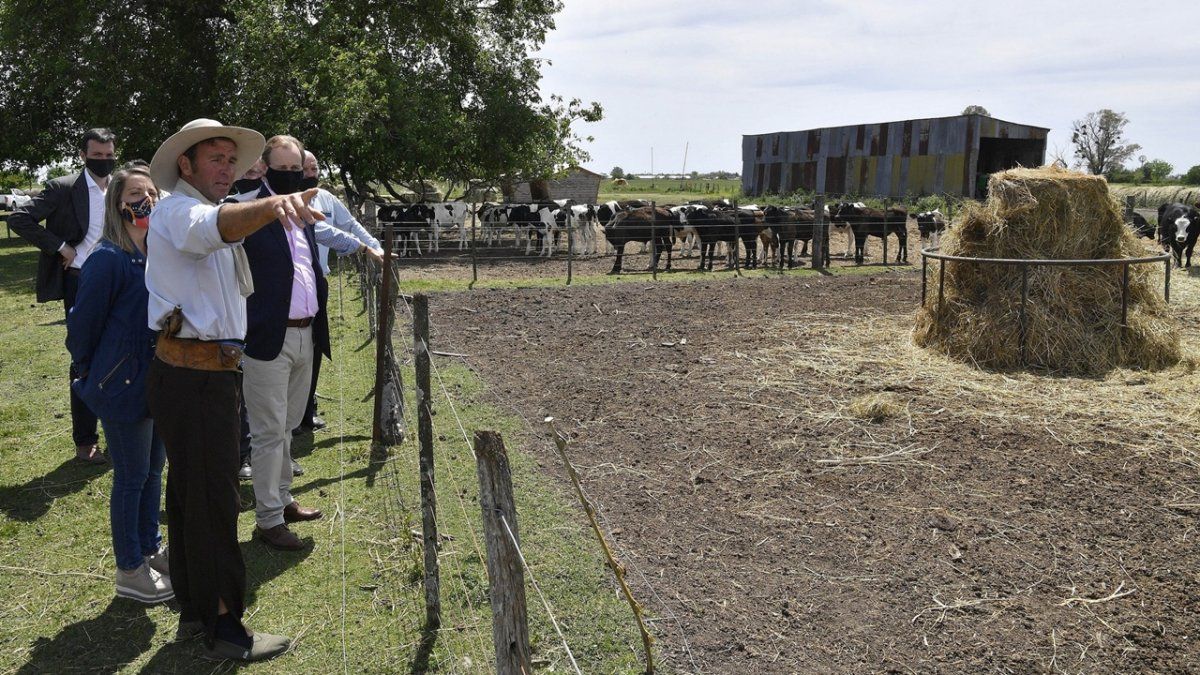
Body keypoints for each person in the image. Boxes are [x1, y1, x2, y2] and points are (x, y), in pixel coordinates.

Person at [145, 118, 322, 661]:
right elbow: (214, 226)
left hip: (205, 372)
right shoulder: (180, 211)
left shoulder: (201, 209)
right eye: (215, 159)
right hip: (195, 376)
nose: (225, 169)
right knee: (214, 500)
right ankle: (225, 629)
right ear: (186, 164)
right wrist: (272, 205)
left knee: (193, 496)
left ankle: (196, 607)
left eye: (230, 160)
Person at [66, 166, 172, 603]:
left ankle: (150, 548)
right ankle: (129, 568)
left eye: (152, 193)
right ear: (118, 204)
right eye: (135, 195)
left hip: (157, 380)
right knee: (130, 477)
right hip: (122, 384)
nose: (146, 201)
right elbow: (82, 327)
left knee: (153, 470)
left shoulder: (156, 255)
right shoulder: (108, 258)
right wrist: (91, 371)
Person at [239, 135, 328, 552]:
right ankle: (268, 519)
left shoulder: (303, 210)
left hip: (305, 332)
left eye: (296, 169)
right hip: (268, 336)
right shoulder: (247, 208)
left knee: (289, 424)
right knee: (268, 431)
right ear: (264, 166)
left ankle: (283, 497)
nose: (290, 175)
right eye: (282, 169)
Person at [8, 128, 117, 464]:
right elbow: (19, 218)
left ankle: (120, 434)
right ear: (83, 156)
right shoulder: (63, 187)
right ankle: (85, 442)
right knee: (84, 359)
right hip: (81, 281)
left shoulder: (120, 186)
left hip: (121, 281)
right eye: (96, 155)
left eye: (109, 155)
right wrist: (60, 246)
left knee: (122, 355)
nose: (104, 161)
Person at [296, 150, 384, 434]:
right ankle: (292, 412)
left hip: (318, 280)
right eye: (305, 169)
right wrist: (363, 248)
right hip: (294, 284)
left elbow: (349, 224)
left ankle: (307, 407)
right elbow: (323, 232)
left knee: (317, 345)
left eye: (315, 168)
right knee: (295, 347)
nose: (311, 174)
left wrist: (376, 246)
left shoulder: (326, 198)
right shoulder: (288, 201)